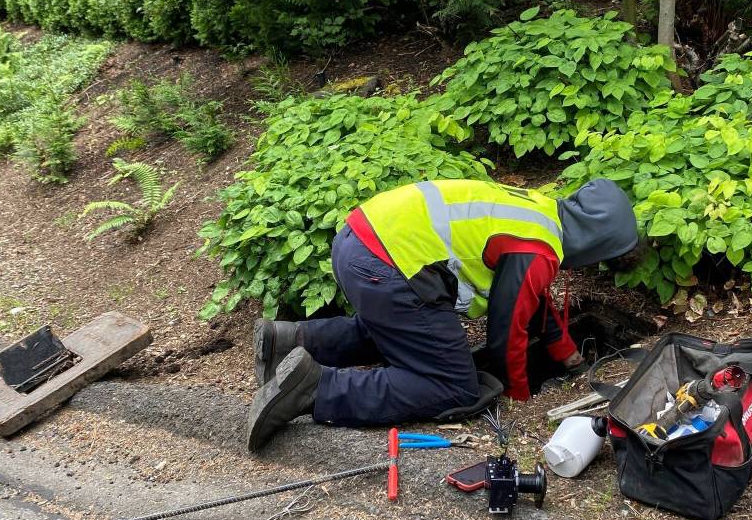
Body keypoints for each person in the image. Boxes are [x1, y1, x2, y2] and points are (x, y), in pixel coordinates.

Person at [246, 178, 640, 451]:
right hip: (386, 266)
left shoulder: (539, 212)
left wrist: (565, 353)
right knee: (452, 385)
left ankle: (289, 341)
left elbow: (536, 300)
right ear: (595, 242)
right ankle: (315, 389)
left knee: (405, 328)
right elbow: (507, 331)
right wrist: (518, 393)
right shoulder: (537, 251)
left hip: (358, 241)